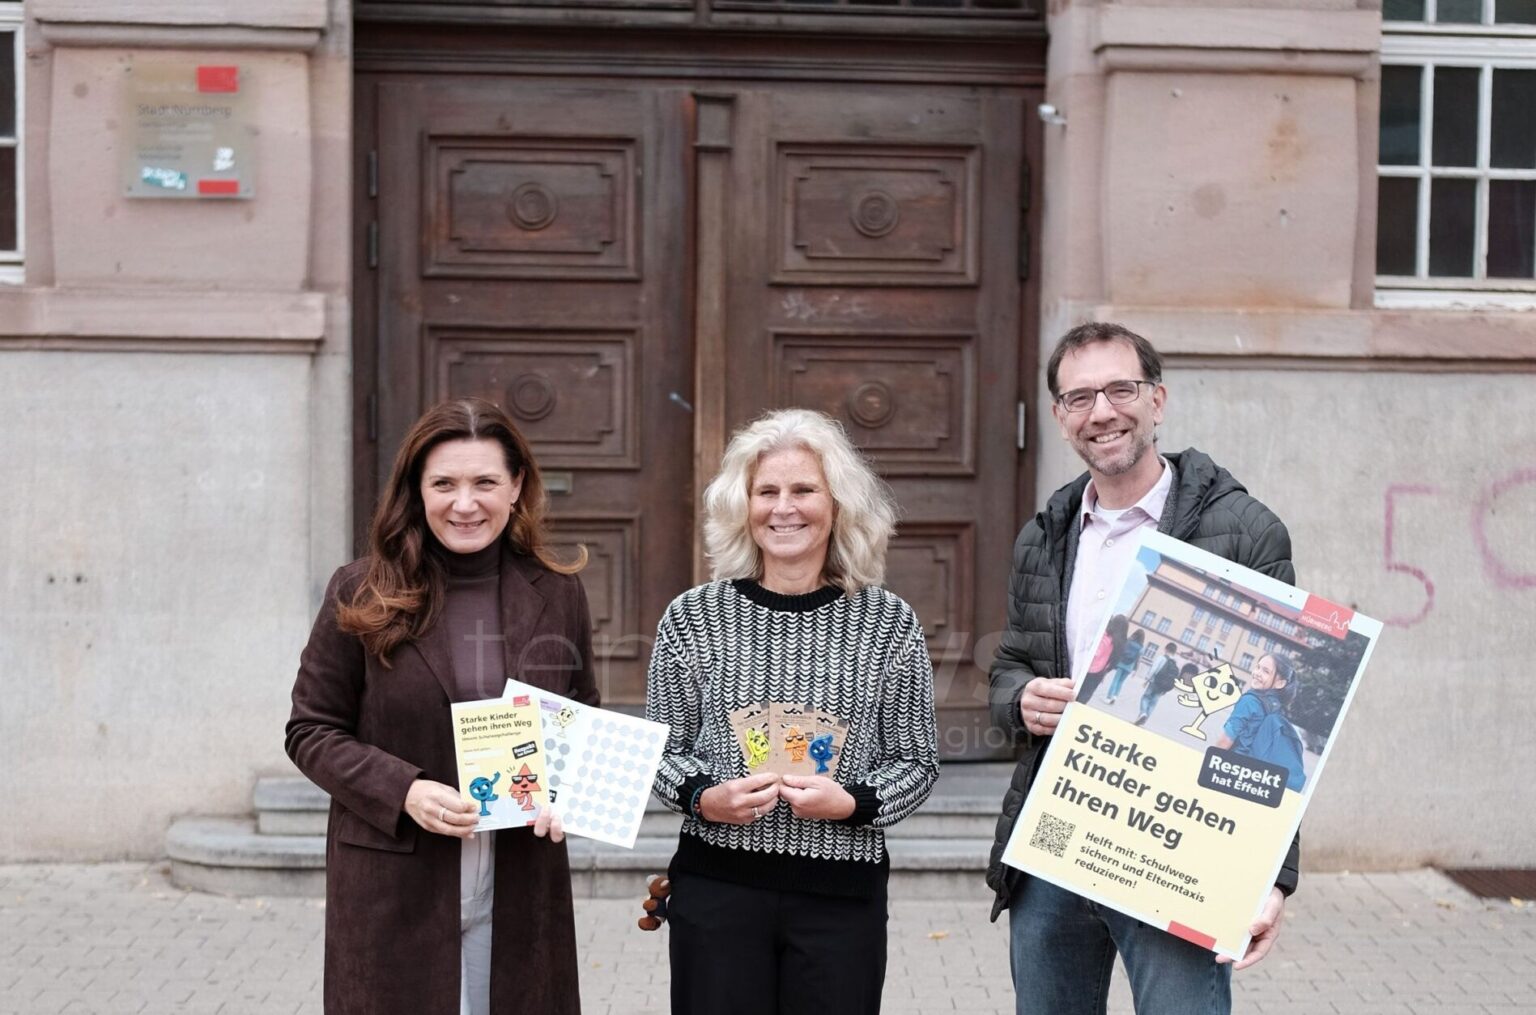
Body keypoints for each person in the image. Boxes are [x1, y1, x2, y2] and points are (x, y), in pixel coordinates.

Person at [985, 322, 1299, 1015]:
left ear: (1158, 399)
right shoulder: (1045, 536)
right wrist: (1022, 698)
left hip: (1179, 846)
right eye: (1079, 397)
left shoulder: (1244, 532)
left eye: (1120, 389)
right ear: (1061, 416)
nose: (1102, 412)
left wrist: (1271, 878)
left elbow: (1285, 718)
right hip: (1059, 837)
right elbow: (1009, 664)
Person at [285, 397, 596, 1015]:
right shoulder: (360, 590)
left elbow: (577, 714)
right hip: (395, 872)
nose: (465, 503)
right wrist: (404, 790)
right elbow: (311, 730)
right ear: (416, 491)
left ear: (517, 488)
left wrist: (571, 790)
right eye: (444, 483)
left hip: (519, 876)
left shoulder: (558, 591)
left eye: (485, 482)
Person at [647, 408, 940, 1015]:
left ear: (838, 505)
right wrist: (705, 797)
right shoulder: (691, 618)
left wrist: (854, 802)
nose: (785, 508)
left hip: (840, 897)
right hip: (718, 884)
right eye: (767, 491)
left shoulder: (888, 624)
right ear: (743, 506)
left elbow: (916, 762)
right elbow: (659, 753)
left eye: (804, 489)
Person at [1217, 653, 1307, 790]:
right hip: (1252, 777)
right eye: (1258, 667)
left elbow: (1225, 741)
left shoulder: (1249, 701)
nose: (1257, 673)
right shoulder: (1277, 706)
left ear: (1280, 683)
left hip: (1230, 769)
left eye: (1266, 671)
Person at [1076, 613, 1128, 704]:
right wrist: (1106, 670)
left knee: (1075, 689)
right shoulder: (1121, 644)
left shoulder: (1104, 634)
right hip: (1099, 672)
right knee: (1086, 694)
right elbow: (1115, 661)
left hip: (1085, 666)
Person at [1136, 641, 1185, 726]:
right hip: (1163, 686)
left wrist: (1147, 680)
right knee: (1153, 703)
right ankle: (1143, 720)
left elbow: (1154, 669)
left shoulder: (1161, 658)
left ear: (1166, 649)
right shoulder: (1174, 663)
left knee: (1146, 698)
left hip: (1154, 682)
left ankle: (1143, 713)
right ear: (1174, 652)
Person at [1104, 627, 1145, 704]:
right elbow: (1138, 659)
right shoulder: (1141, 647)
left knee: (1115, 680)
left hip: (1121, 663)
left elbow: (1121, 650)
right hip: (1130, 666)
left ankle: (1108, 697)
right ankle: (1115, 696)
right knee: (1121, 682)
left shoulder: (1129, 641)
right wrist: (1135, 670)